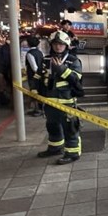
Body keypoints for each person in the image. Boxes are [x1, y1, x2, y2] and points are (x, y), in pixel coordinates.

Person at [36, 31, 84, 165]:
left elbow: (76, 79)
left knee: (70, 129)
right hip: (49, 102)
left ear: (66, 45)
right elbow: (38, 77)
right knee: (52, 127)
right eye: (56, 44)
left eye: (61, 44)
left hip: (66, 102)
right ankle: (55, 148)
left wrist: (61, 69)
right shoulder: (46, 60)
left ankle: (72, 153)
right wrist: (34, 90)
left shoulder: (73, 61)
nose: (58, 47)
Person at [25, 35, 44, 117]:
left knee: (34, 92)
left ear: (28, 44)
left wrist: (37, 73)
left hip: (33, 76)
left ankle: (37, 110)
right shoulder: (40, 52)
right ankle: (41, 108)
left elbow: (34, 67)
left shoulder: (29, 53)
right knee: (40, 91)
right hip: (41, 75)